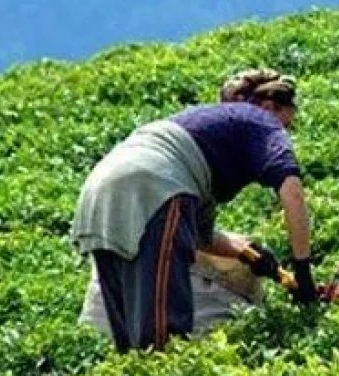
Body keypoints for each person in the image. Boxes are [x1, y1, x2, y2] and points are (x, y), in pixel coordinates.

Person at [70, 68, 318, 353]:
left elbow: (199, 236)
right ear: (271, 106)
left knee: (129, 336)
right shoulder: (261, 120)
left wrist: (247, 253)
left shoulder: (199, 135)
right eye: (287, 124)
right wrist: (304, 273)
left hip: (100, 192)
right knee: (164, 336)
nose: (284, 133)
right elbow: (292, 193)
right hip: (154, 186)